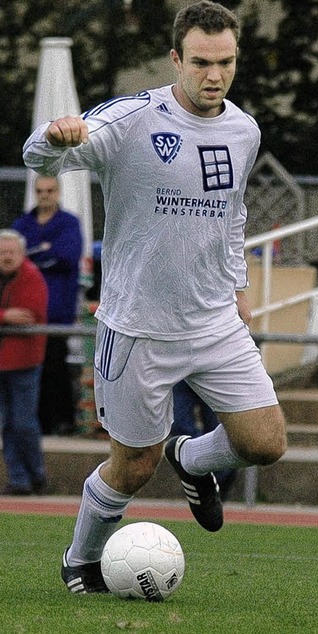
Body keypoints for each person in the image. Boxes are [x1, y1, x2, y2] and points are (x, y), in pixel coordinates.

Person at [23, 0, 287, 595]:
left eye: (225, 63)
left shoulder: (244, 130)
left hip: (214, 320)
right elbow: (36, 156)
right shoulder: (132, 120)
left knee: (266, 443)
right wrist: (53, 136)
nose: (214, 75)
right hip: (137, 325)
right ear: (175, 59)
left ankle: (193, 460)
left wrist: (236, 285)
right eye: (201, 62)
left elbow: (232, 216)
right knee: (133, 466)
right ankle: (81, 559)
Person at [12, 175, 83, 435]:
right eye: (40, 190)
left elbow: (67, 257)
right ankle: (34, 422)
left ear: (58, 192)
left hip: (56, 309)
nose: (45, 195)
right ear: (34, 192)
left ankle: (63, 420)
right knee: (27, 366)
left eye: (50, 190)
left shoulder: (69, 223)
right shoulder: (23, 223)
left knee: (56, 364)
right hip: (26, 311)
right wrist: (46, 254)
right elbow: (11, 258)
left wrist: (32, 256)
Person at [0, 230, 49, 495]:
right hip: (3, 364)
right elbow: (16, 316)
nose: (6, 258)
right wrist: (7, 315)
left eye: (11, 253)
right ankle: (18, 479)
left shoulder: (32, 277)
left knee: (23, 422)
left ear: (21, 254)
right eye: (2, 253)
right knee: (6, 424)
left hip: (24, 363)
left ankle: (37, 475)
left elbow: (31, 315)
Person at [171, 380, 238, 500]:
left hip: (213, 372)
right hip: (178, 372)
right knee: (178, 427)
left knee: (217, 428)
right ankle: (206, 478)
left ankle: (220, 478)